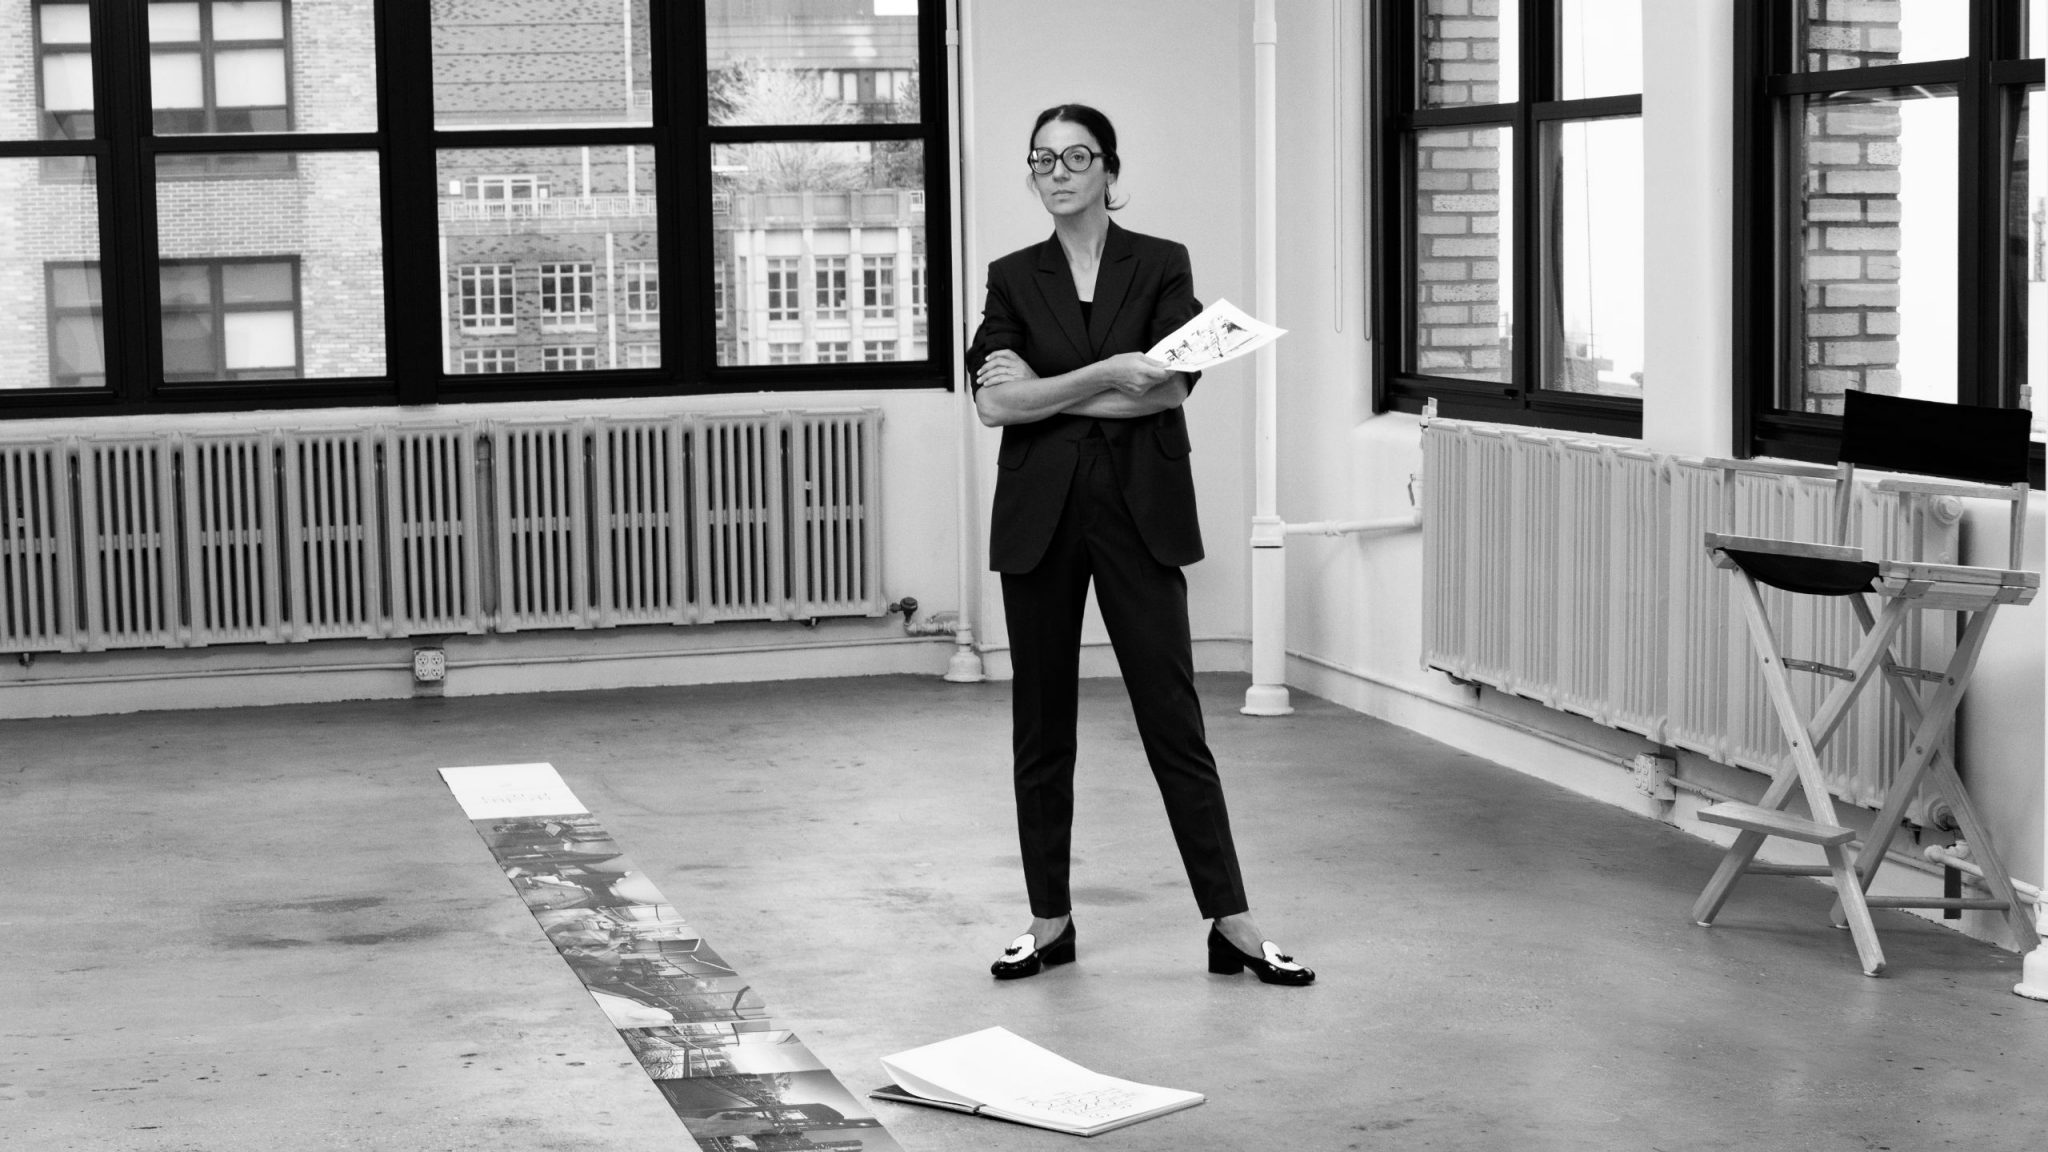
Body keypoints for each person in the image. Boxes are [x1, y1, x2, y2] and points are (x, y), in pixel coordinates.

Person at [965, 104, 1313, 987]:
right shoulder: (1011, 277)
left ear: (1110, 171)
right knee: (1041, 728)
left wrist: (1054, 388)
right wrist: (1106, 372)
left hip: (1139, 513)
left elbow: (1166, 389)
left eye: (1078, 156)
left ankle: (1230, 921)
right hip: (1039, 520)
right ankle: (1050, 922)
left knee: (1174, 721)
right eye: (1042, 159)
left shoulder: (1162, 264)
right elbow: (994, 404)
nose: (1059, 170)